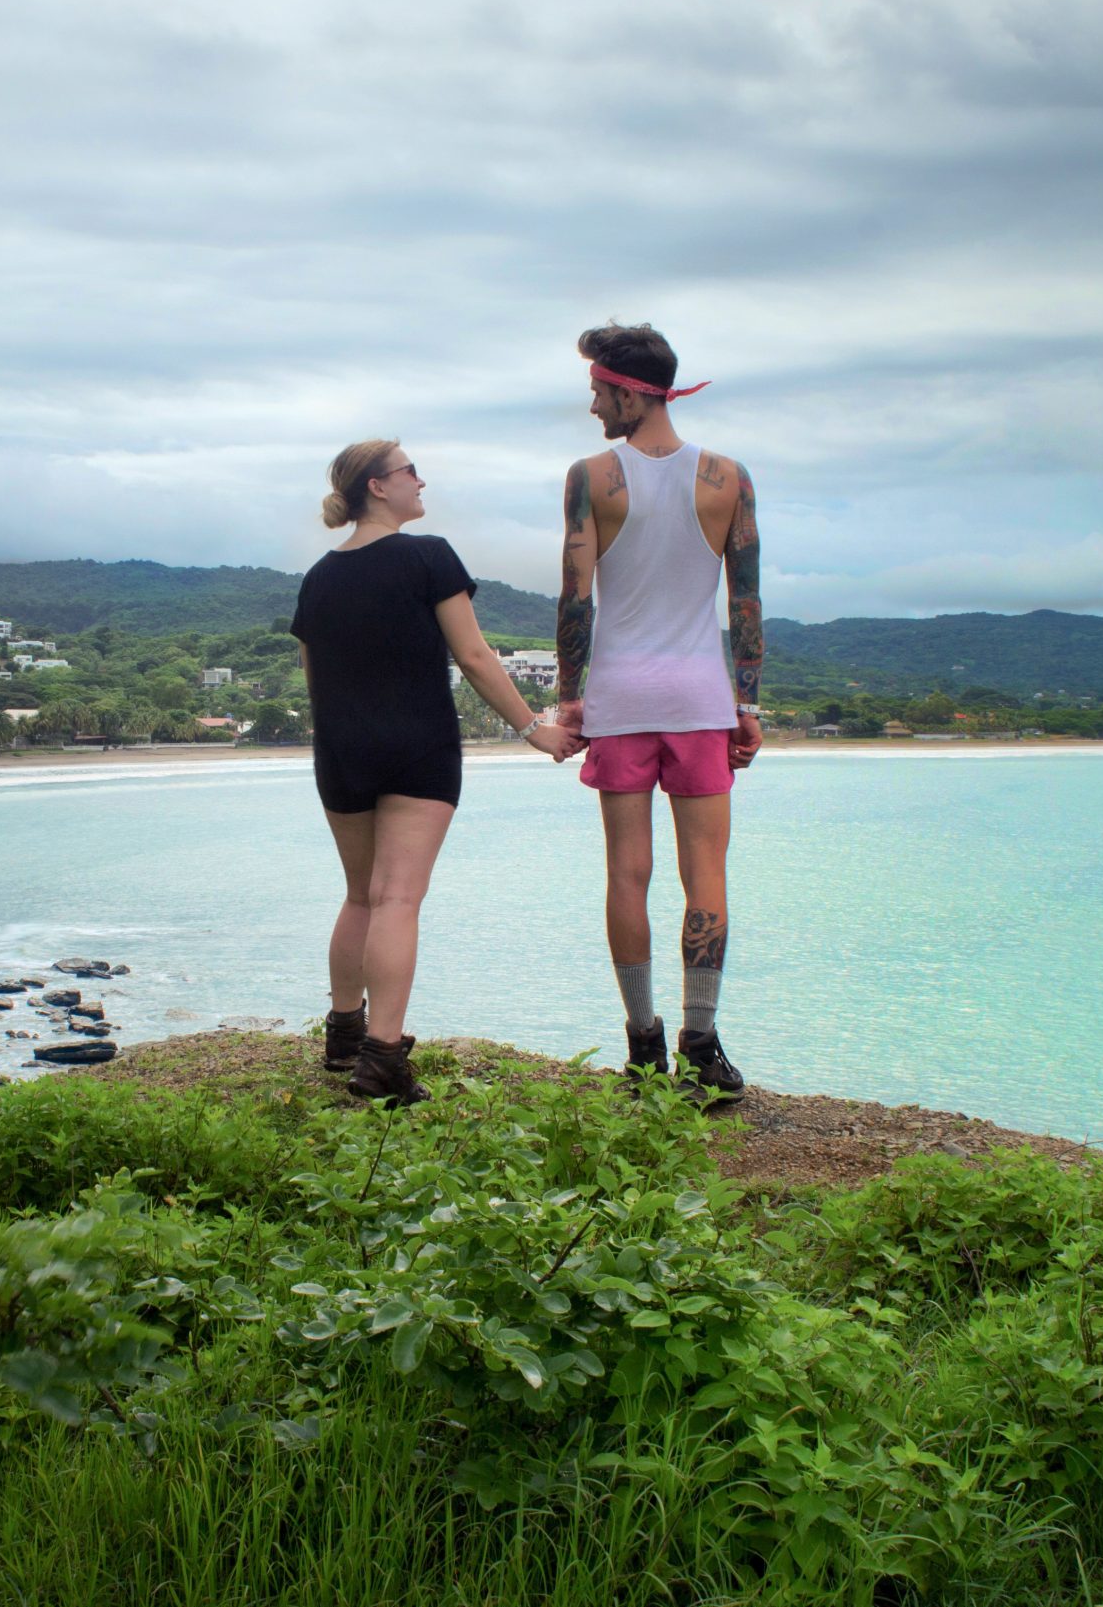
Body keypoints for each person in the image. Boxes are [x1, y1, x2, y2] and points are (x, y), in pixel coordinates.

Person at [293, 439, 576, 1106]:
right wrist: (535, 730)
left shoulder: (317, 577)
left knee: (360, 893)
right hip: (417, 743)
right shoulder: (429, 555)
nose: (423, 481)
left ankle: (343, 1034)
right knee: (397, 898)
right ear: (377, 487)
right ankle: (382, 1058)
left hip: (339, 748)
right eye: (410, 471)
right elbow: (475, 656)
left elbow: (315, 676)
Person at [555, 324, 764, 1103]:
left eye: (598, 389)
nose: (591, 402)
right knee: (705, 872)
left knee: (626, 873)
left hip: (620, 699)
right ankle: (702, 1042)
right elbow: (745, 600)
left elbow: (576, 597)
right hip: (701, 699)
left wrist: (571, 698)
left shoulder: (591, 478)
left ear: (632, 391)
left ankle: (644, 1046)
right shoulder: (726, 477)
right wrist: (746, 701)